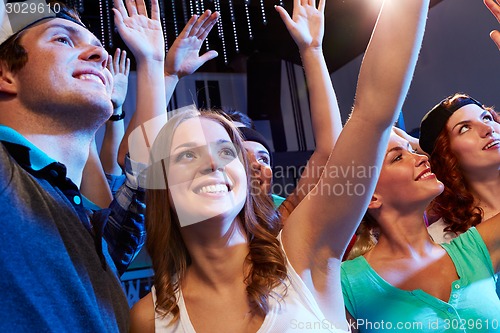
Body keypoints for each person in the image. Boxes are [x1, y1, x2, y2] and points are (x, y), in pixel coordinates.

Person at [128, 0, 430, 330]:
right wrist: (158, 69)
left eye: (227, 152)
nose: (212, 162)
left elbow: (373, 112)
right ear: (161, 185)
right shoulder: (149, 318)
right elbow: (137, 158)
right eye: (187, 154)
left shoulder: (303, 250)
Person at [0, 0, 164, 330]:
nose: (101, 55)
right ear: (5, 73)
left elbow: (144, 182)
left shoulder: (88, 229)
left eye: (98, 47)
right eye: (62, 39)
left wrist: (153, 63)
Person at [341, 131, 500, 333]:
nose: (422, 158)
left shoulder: (474, 250)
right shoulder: (347, 286)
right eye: (398, 157)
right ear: (372, 197)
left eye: (413, 150)